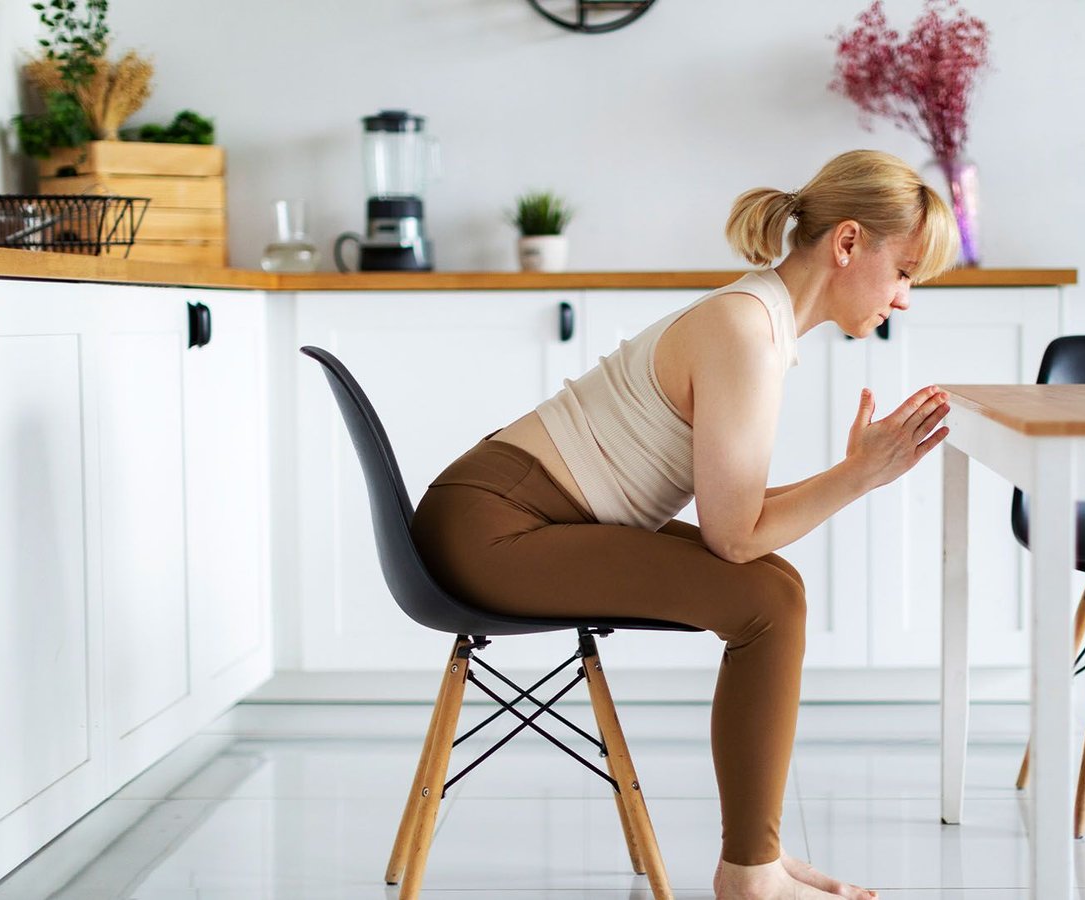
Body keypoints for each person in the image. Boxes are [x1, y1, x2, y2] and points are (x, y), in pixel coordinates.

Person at [411, 149, 959, 900]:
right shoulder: (745, 330)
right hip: (493, 529)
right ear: (848, 243)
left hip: (502, 515)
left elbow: (736, 523)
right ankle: (751, 875)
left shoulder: (759, 319)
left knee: (774, 586)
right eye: (903, 272)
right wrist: (860, 473)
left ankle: (756, 859)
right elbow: (733, 536)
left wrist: (857, 472)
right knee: (768, 600)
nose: (903, 299)